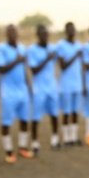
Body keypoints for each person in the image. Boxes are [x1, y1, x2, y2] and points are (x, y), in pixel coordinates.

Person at [0, 24, 33, 163]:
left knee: (24, 120)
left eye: (14, 32)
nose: (13, 35)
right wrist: (16, 60)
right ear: (6, 34)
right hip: (8, 92)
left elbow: (24, 70)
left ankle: (22, 147)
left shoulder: (22, 48)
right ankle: (9, 151)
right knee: (6, 122)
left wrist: (29, 87)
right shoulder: (2, 49)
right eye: (10, 32)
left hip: (22, 90)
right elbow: (1, 69)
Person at [27, 24, 61, 155]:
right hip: (38, 88)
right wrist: (47, 58)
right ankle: (35, 143)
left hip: (52, 86)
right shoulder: (32, 50)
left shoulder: (52, 48)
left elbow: (60, 61)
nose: (45, 36)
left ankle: (55, 139)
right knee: (36, 117)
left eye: (47, 34)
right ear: (38, 36)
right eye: (42, 34)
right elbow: (34, 70)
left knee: (54, 114)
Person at [56, 22, 84, 146]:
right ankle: (66, 138)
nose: (72, 31)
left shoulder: (79, 45)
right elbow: (63, 66)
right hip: (66, 84)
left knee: (75, 111)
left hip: (77, 83)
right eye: (69, 29)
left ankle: (74, 136)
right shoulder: (61, 45)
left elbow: (81, 67)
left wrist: (83, 83)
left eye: (73, 29)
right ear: (65, 31)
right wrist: (75, 56)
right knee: (66, 112)